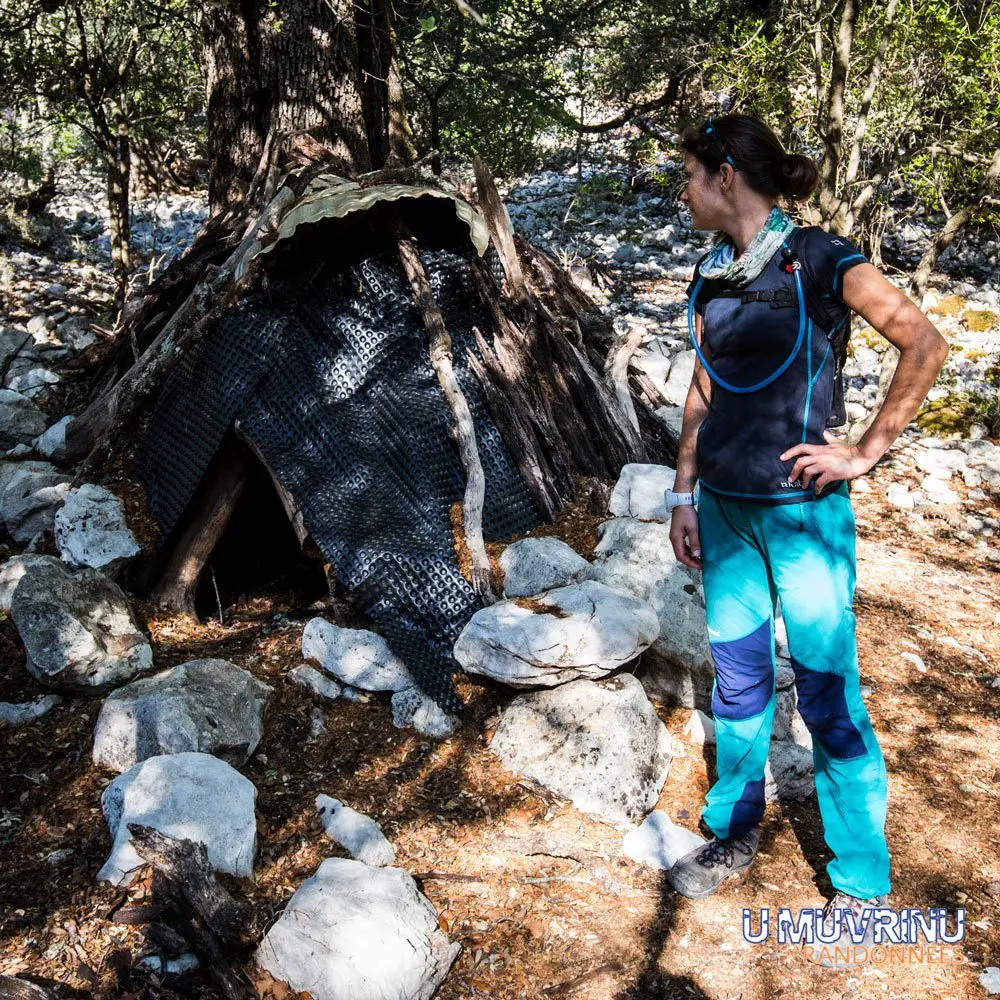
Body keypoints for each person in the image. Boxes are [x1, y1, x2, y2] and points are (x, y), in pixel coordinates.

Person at [661, 113, 949, 966]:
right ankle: (732, 829)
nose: (681, 192)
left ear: (724, 176)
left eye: (688, 175)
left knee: (825, 691)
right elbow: (705, 392)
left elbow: (923, 341)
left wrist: (866, 450)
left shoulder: (823, 259)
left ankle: (860, 881)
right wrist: (681, 491)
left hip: (802, 518)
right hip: (723, 511)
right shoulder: (711, 278)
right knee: (741, 678)